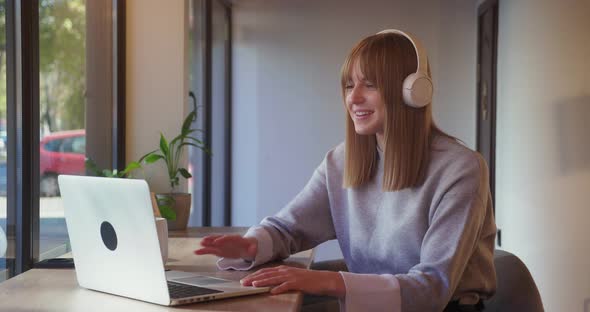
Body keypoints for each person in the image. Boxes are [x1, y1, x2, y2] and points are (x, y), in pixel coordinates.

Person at [195, 29, 497, 312]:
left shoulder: (460, 169)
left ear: (412, 91)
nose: (353, 98)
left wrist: (330, 281)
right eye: (350, 85)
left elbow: (432, 288)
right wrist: (251, 245)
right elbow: (288, 227)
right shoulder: (341, 161)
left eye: (370, 84)